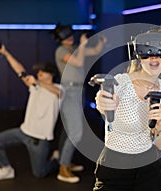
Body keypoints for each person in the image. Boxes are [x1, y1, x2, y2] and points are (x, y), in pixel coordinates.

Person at [93, 29, 161, 191]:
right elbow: (103, 101)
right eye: (148, 52)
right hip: (115, 165)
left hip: (149, 165)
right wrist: (103, 103)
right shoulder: (120, 83)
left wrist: (158, 125)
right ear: (139, 55)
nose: (155, 58)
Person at [0, 44, 60, 181]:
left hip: (39, 140)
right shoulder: (34, 86)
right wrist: (6, 53)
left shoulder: (58, 89)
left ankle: (55, 159)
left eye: (42, 71)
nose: (39, 73)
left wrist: (38, 83)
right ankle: (6, 169)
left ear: (51, 74)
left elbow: (58, 93)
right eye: (38, 71)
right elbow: (19, 70)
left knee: (39, 174)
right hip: (23, 132)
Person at [52, 24, 107, 183]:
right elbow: (77, 62)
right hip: (69, 92)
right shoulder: (61, 51)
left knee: (69, 130)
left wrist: (101, 42)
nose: (69, 38)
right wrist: (83, 45)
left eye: (70, 35)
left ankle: (65, 161)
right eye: (65, 36)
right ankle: (63, 168)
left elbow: (95, 51)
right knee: (76, 132)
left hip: (77, 91)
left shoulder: (75, 48)